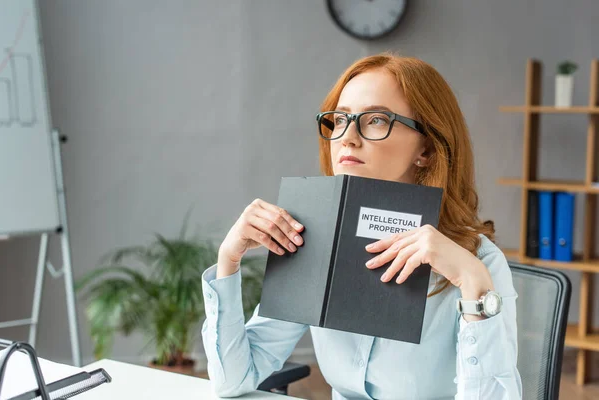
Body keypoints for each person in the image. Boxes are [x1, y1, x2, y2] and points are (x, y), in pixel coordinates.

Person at [201, 53, 522, 399]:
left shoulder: (478, 264)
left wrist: (471, 281)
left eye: (375, 120)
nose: (347, 138)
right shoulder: (316, 236)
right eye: (340, 119)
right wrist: (228, 261)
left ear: (426, 149)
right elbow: (234, 380)